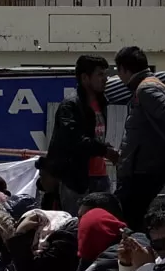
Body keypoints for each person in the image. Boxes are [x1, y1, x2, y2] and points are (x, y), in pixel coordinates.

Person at [112, 46, 165, 229]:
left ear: (124, 69)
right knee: (134, 220)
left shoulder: (146, 89)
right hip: (143, 169)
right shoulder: (150, 85)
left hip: (143, 171)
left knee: (129, 220)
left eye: (118, 71)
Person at [45, 55, 119, 215]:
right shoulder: (70, 105)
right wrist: (105, 151)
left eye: (105, 74)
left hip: (100, 176)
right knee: (76, 227)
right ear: (85, 78)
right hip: (77, 181)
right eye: (100, 74)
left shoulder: (101, 102)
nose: (105, 79)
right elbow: (75, 140)